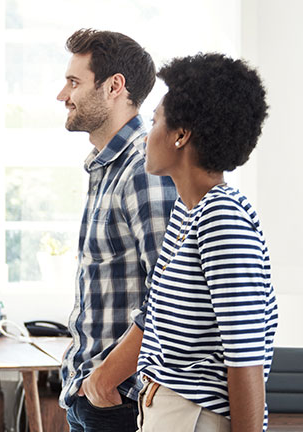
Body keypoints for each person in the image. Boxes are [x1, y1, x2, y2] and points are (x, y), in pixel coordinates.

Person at [137, 53, 278, 432]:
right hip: (168, 412)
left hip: (195, 418)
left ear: (181, 134)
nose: (146, 135)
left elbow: (244, 358)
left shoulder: (222, 218)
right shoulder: (187, 212)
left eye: (154, 122)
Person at [54, 29, 178, 431]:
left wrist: (105, 382)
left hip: (118, 401)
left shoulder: (145, 169)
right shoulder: (106, 167)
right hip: (92, 396)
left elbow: (170, 297)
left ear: (114, 87)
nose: (63, 95)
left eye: (74, 82)